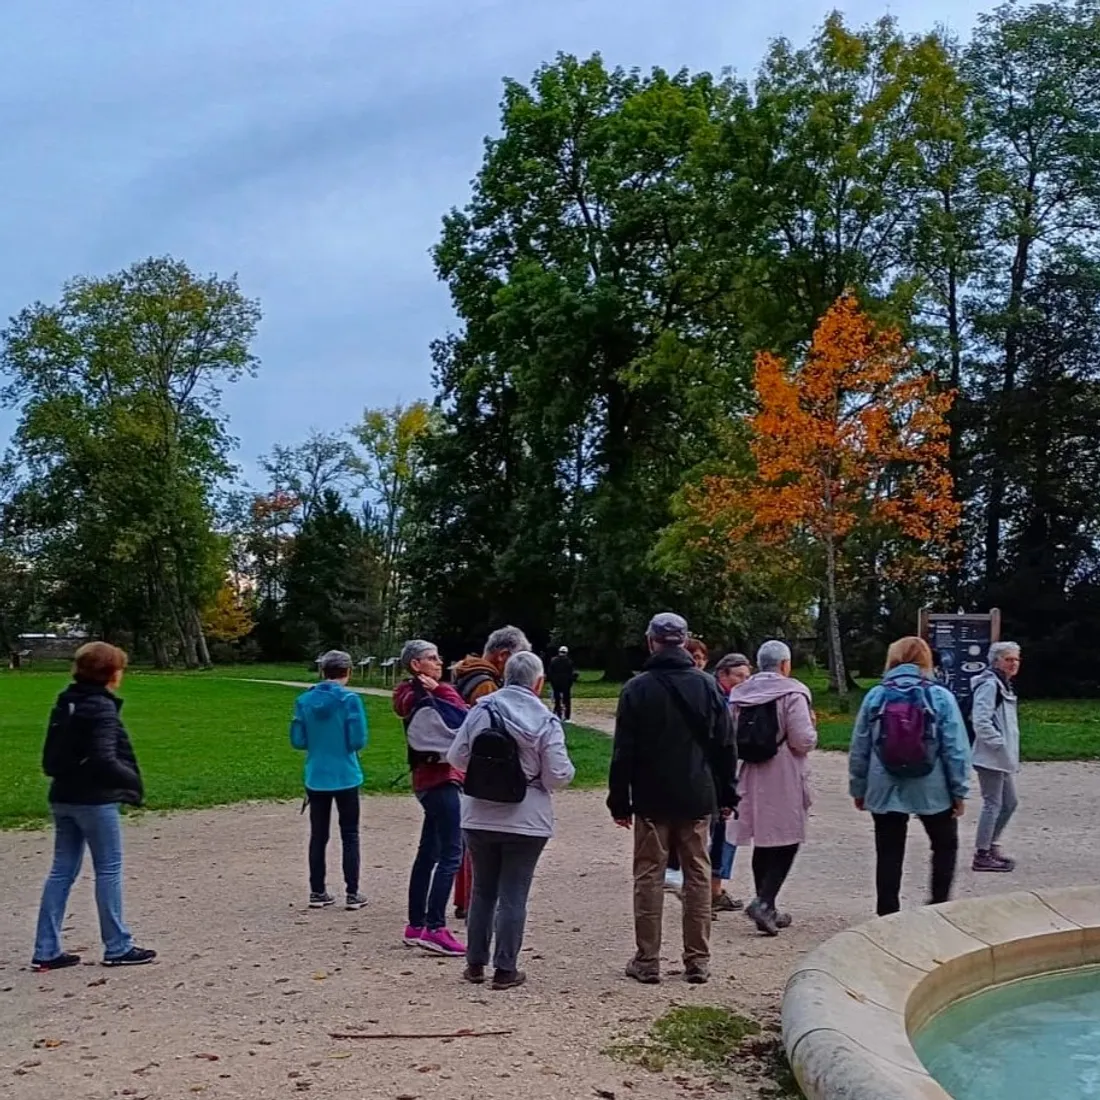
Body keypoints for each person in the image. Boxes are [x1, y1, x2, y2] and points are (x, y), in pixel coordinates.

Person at [608, 613, 737, 986]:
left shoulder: (637, 688)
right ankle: (698, 960)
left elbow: (623, 752)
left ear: (651, 642)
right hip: (697, 793)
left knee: (649, 875)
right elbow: (725, 746)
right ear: (683, 643)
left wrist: (619, 800)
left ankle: (647, 959)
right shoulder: (708, 686)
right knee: (697, 873)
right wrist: (727, 793)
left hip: (651, 795)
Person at [447, 651, 575, 991]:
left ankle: (475, 964)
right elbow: (558, 776)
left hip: (478, 815)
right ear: (539, 682)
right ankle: (505, 969)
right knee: (513, 893)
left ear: (504, 675)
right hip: (527, 819)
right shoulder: (546, 721)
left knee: (482, 891)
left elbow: (456, 756)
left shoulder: (482, 710)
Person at [32, 642, 156, 971]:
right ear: (111, 673)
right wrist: (131, 781)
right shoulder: (100, 707)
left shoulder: (67, 701)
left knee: (62, 871)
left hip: (64, 795)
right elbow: (104, 757)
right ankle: (117, 946)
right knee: (109, 869)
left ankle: (46, 949)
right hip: (94, 799)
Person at [848, 637, 971, 916]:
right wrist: (959, 791)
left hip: (884, 784)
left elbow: (860, 747)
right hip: (933, 786)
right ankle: (938, 905)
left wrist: (859, 787)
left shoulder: (876, 695)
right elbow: (955, 748)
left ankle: (887, 912)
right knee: (944, 845)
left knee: (889, 850)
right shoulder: (939, 696)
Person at [729, 640, 817, 936]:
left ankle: (766, 902)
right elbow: (802, 740)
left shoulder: (741, 695)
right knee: (789, 837)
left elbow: (729, 734)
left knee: (763, 838)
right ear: (784, 664)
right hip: (784, 771)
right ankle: (765, 902)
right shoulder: (793, 692)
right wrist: (814, 731)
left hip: (752, 771)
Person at [450, 626, 533, 919]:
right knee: (479, 844)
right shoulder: (486, 686)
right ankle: (472, 900)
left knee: (467, 841)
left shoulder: (467, 673)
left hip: (466, 770)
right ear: (503, 656)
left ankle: (465, 898)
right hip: (483, 773)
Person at [393, 640, 468, 957]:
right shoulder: (425, 696)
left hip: (425, 780)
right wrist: (441, 689)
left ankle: (416, 923)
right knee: (453, 851)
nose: (439, 662)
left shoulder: (408, 696)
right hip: (442, 779)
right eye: (432, 658)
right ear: (415, 665)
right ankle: (435, 927)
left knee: (429, 852)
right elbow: (462, 717)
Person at [290, 650, 369, 910]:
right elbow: (357, 740)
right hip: (346, 773)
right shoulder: (350, 699)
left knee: (318, 835)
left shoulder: (304, 700)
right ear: (348, 671)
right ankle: (353, 892)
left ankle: (317, 891)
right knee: (350, 834)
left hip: (316, 775)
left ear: (323, 671)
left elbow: (298, 740)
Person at [971, 642, 1023, 873]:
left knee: (1009, 803)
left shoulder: (1003, 685)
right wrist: (999, 744)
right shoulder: (990, 684)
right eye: (1008, 659)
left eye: (1016, 659)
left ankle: (990, 845)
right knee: (993, 803)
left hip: (1002, 757)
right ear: (996, 661)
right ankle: (982, 853)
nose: (1013, 664)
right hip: (990, 757)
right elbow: (981, 720)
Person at [709, 653, 753, 914]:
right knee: (722, 832)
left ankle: (715, 887)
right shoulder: (719, 699)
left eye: (747, 677)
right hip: (717, 775)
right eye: (738, 676)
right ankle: (711, 890)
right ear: (723, 674)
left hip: (723, 772)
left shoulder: (738, 699)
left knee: (723, 832)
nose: (743, 681)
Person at [665, 639, 709, 891]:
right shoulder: (704, 687)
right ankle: (674, 867)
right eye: (694, 655)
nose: (698, 660)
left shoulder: (708, 686)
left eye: (702, 656)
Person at [547, 646, 577, 721]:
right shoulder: (569, 661)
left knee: (557, 700)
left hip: (556, 683)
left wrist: (552, 681)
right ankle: (567, 717)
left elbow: (550, 672)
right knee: (567, 700)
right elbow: (571, 673)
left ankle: (558, 714)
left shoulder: (554, 660)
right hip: (566, 683)